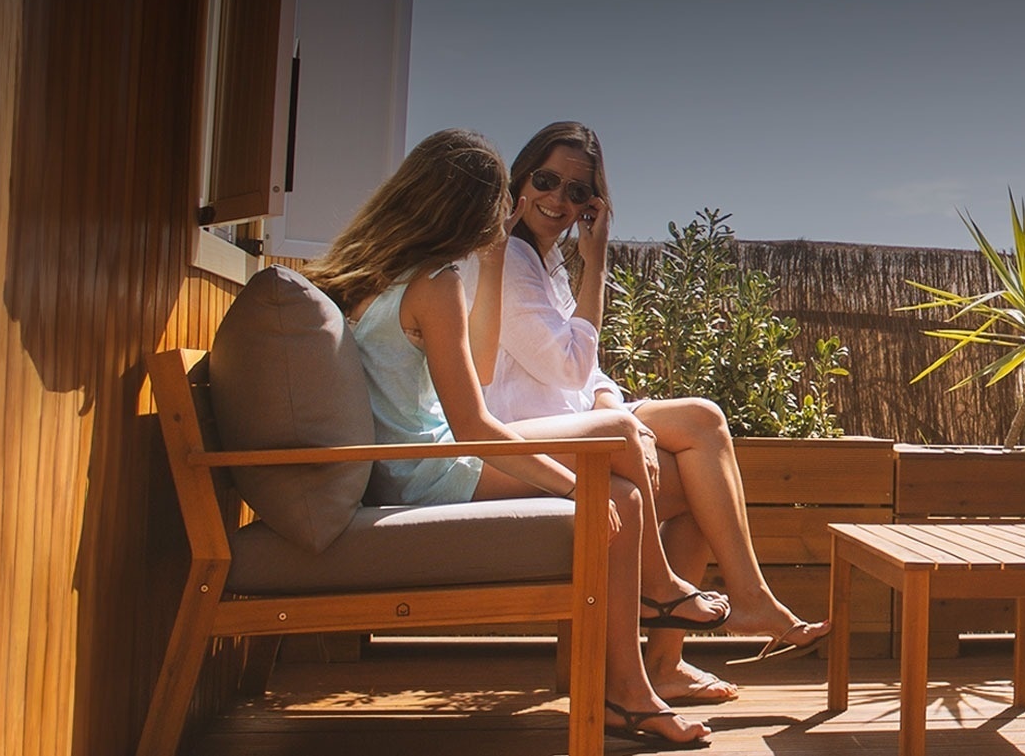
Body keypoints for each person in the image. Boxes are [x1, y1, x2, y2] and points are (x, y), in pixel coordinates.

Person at [301, 129, 718, 747]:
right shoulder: (434, 283)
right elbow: (472, 428)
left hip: (405, 462)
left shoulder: (371, 273)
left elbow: (484, 370)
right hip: (428, 470)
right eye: (502, 201)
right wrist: (575, 486)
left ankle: (627, 689)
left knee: (624, 476)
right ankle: (647, 631)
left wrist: (493, 262)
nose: (509, 214)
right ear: (469, 206)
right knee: (616, 450)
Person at [463, 121, 828, 704]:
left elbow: (591, 374)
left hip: (573, 420)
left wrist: (613, 404)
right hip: (520, 440)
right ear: (520, 181)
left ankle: (719, 619)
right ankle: (685, 643)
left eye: (577, 191)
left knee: (703, 420)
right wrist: (598, 259)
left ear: (592, 202)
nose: (559, 199)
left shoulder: (546, 261)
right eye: (547, 180)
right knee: (691, 483)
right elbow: (567, 365)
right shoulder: (507, 258)